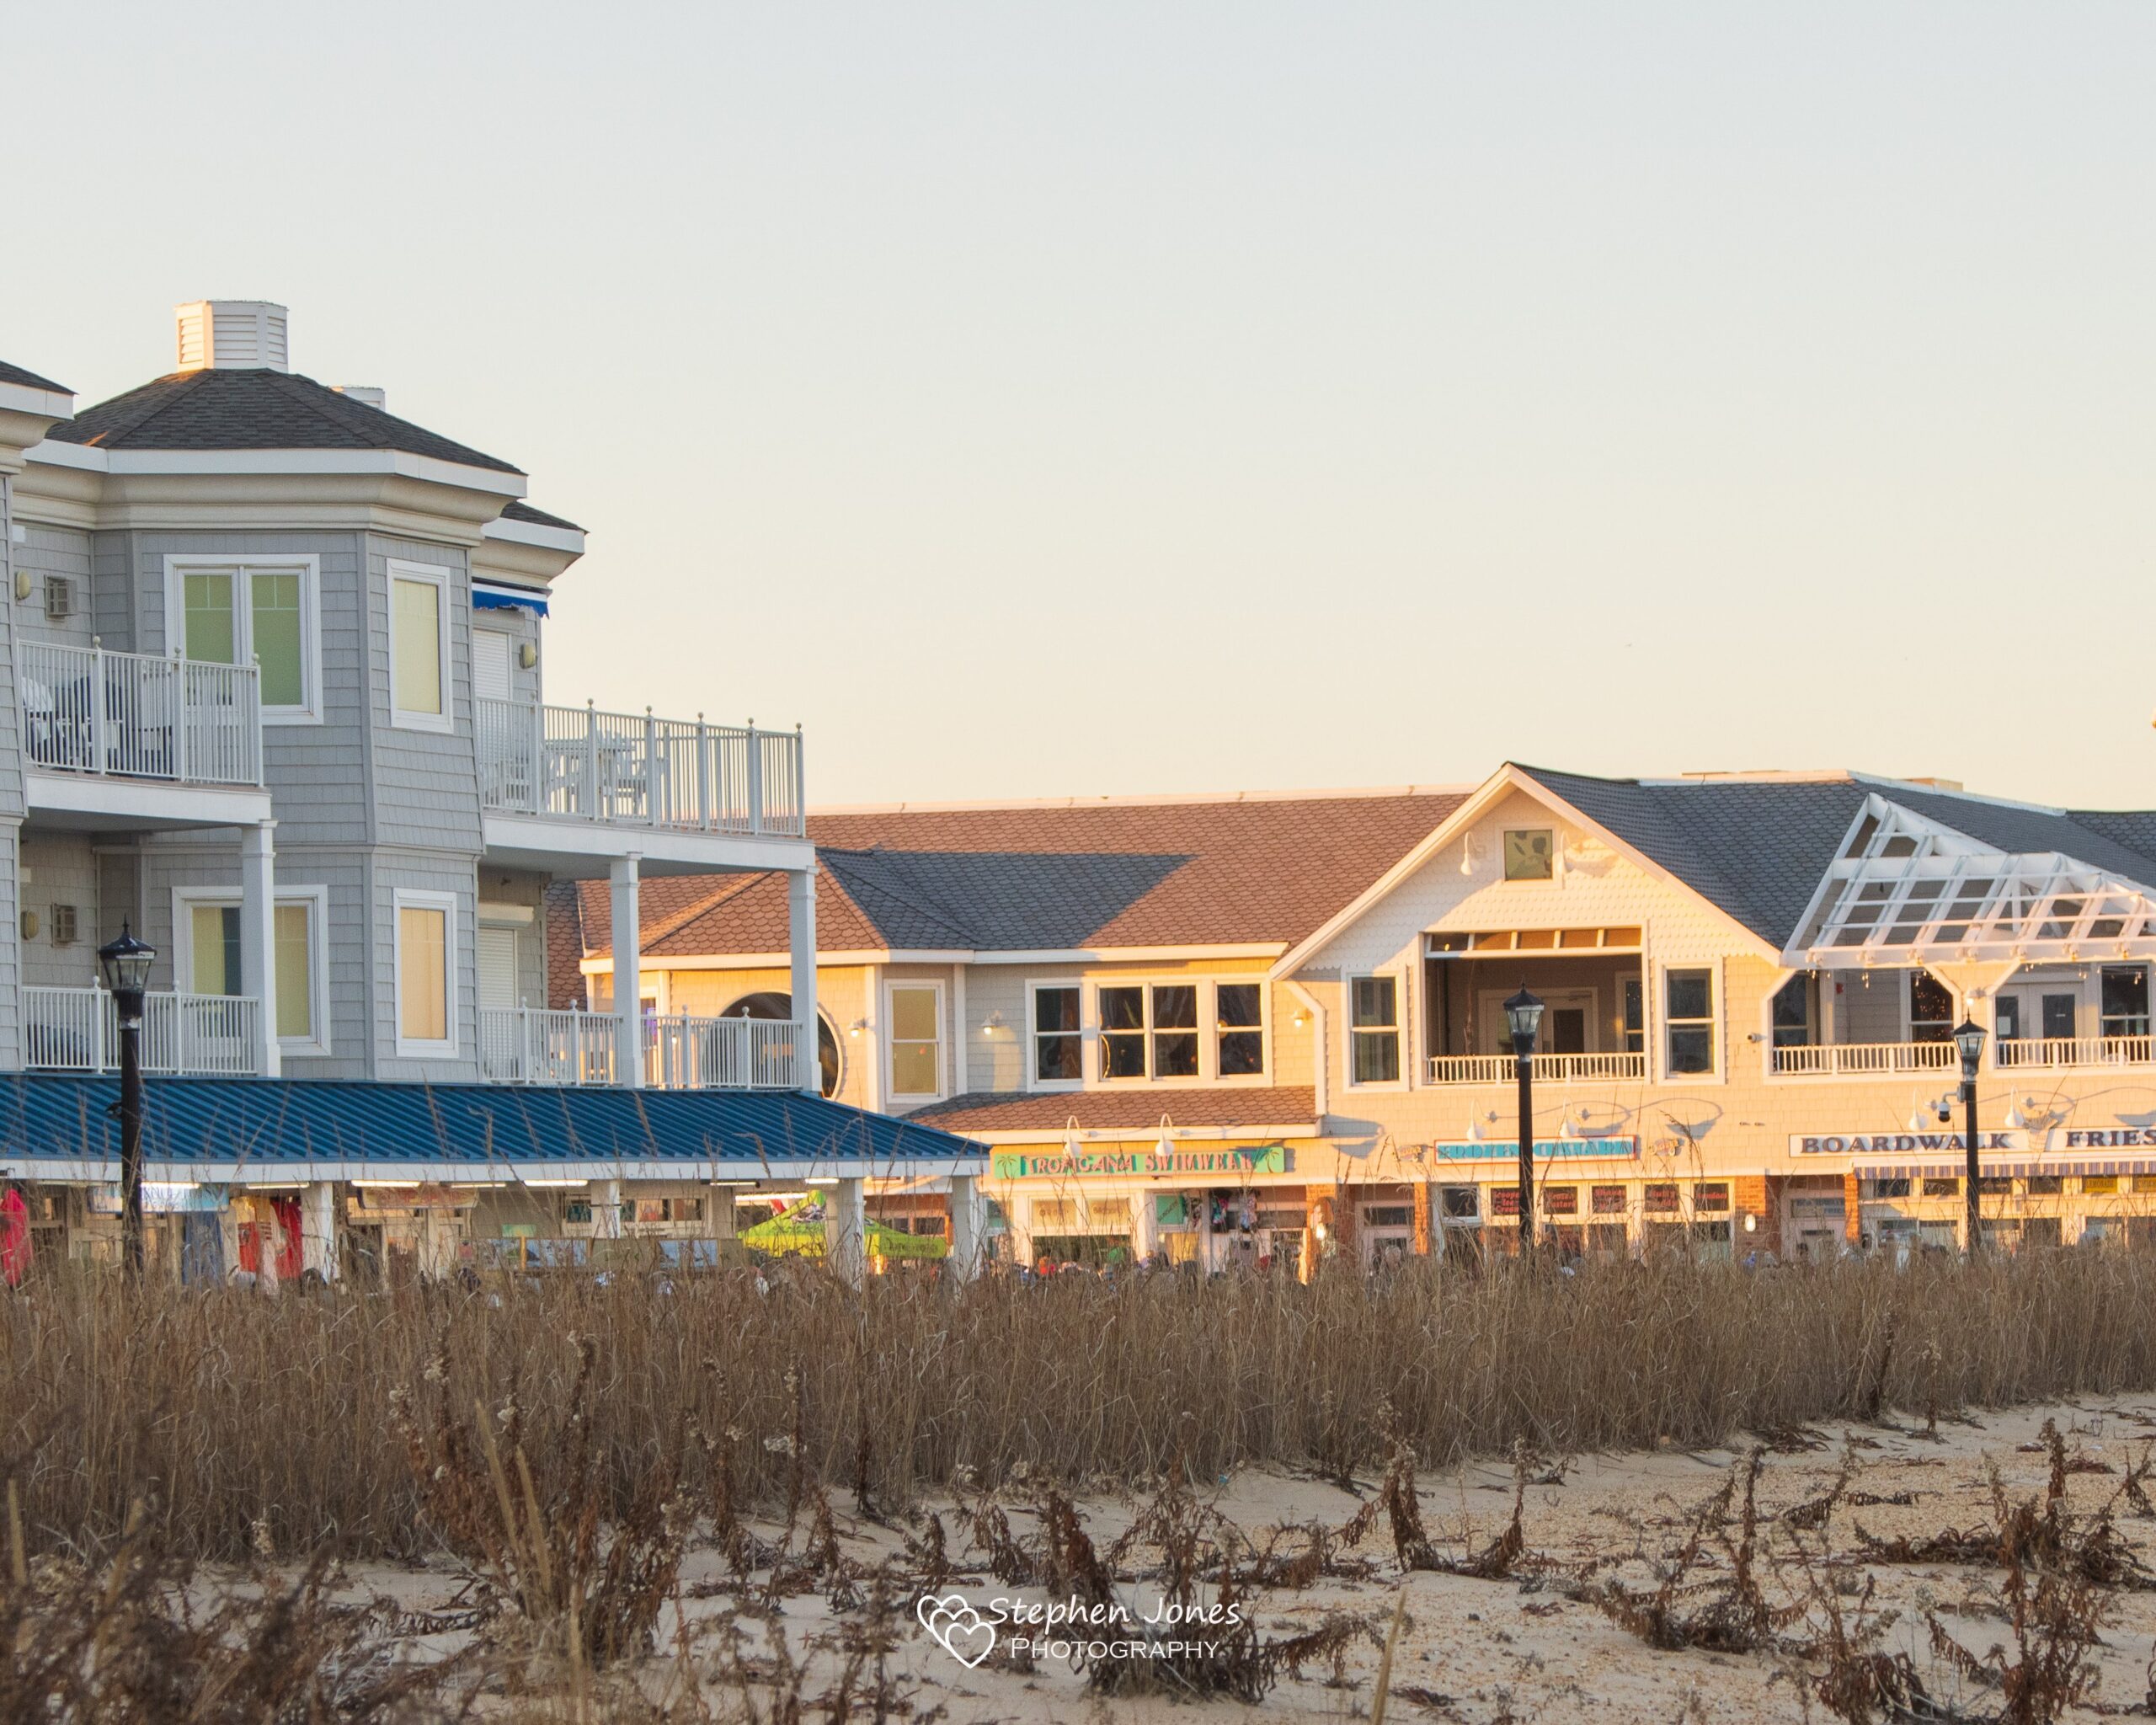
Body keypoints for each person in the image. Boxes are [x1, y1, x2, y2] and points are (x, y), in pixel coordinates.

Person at [0, 1183, 31, 1288]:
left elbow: (7, 1222)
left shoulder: (11, 1201)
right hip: (17, 1248)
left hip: (12, 1248)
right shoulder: (18, 1203)